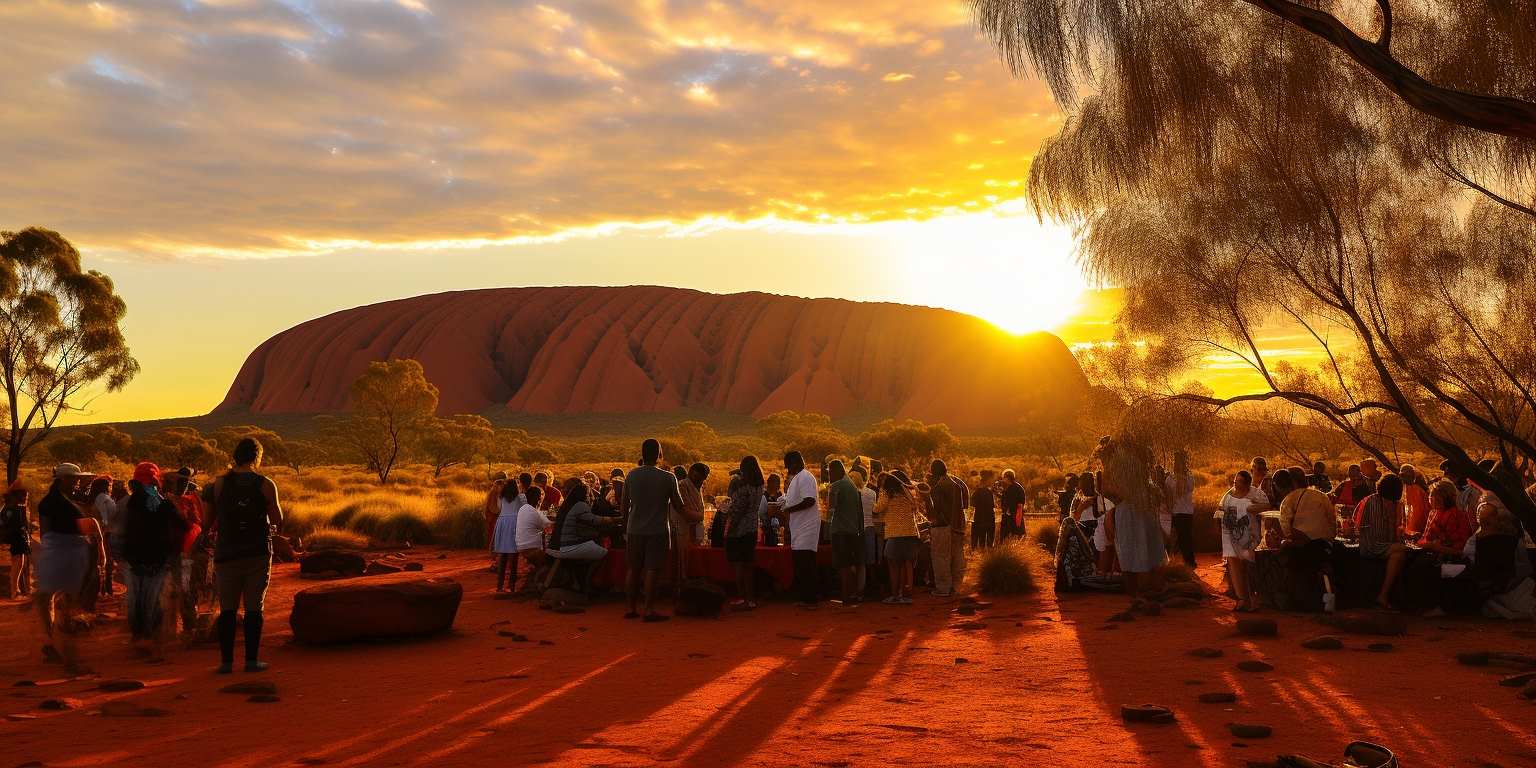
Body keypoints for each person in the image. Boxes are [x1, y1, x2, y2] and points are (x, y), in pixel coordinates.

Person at [207, 438, 283, 674]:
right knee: (254, 608)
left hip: (227, 553)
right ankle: (251, 661)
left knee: (227, 608)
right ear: (256, 457)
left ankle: (226, 663)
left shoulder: (218, 485)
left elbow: (206, 521)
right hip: (256, 553)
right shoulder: (265, 484)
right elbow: (278, 519)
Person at [34, 464, 106, 675]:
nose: (77, 484)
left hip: (54, 553)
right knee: (68, 604)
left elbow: (47, 532)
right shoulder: (66, 505)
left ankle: (51, 642)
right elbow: (85, 531)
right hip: (69, 556)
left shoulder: (48, 502)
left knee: (47, 598)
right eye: (74, 480)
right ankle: (69, 658)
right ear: (63, 479)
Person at [122, 462, 188, 662]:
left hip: (134, 559)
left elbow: (122, 531)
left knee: (137, 602)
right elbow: (183, 525)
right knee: (154, 601)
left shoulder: (129, 502)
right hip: (157, 559)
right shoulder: (163, 503)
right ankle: (152, 643)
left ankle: (139, 639)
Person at [624, 439, 686, 622]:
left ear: (642, 454)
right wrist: (694, 516)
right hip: (657, 530)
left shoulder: (631, 475)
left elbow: (623, 505)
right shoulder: (668, 477)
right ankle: (649, 610)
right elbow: (679, 505)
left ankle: (630, 608)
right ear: (659, 455)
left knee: (633, 569)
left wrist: (625, 528)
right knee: (652, 569)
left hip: (634, 529)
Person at [1101, 440, 1165, 597]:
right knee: (1132, 547)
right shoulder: (1119, 468)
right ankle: (1139, 591)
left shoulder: (1131, 467)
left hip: (1140, 509)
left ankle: (1144, 590)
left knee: (1141, 546)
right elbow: (1107, 490)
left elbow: (1107, 490)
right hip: (1134, 509)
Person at [546, 479, 621, 591]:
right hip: (571, 546)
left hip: (565, 544)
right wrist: (618, 519)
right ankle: (588, 581)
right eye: (589, 494)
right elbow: (595, 520)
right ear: (585, 495)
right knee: (604, 553)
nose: (591, 497)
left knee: (594, 546)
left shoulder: (570, 505)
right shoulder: (581, 505)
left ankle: (584, 579)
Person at [1354, 473, 1407, 611]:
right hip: (1371, 545)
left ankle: (1383, 596)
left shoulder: (1394, 504)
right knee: (1401, 550)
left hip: (1385, 545)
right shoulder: (1372, 502)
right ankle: (1387, 596)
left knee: (1399, 555)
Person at [1218, 469, 1268, 612]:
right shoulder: (1229, 494)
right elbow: (1221, 508)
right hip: (1232, 534)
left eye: (1238, 481)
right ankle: (1241, 599)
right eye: (1235, 481)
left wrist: (1250, 507)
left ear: (1247, 483)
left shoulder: (1256, 493)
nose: (1235, 483)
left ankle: (1253, 600)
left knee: (1248, 565)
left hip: (1250, 534)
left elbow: (1266, 506)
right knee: (1234, 565)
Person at [723, 456, 766, 610]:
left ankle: (742, 598)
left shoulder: (741, 487)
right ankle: (751, 598)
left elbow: (736, 510)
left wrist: (729, 528)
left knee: (738, 566)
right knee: (749, 565)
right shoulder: (759, 485)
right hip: (752, 528)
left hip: (739, 529)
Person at [782, 451, 822, 608]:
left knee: (806, 564)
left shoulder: (805, 477)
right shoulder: (798, 478)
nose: (787, 470)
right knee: (800, 564)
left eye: (788, 466)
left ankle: (811, 600)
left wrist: (789, 509)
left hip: (807, 528)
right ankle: (805, 597)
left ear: (795, 463)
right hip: (799, 528)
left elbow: (809, 500)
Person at [875, 473, 919, 604]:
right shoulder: (909, 491)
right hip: (911, 532)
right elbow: (915, 507)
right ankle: (907, 595)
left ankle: (895, 595)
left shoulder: (887, 492)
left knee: (894, 565)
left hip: (895, 533)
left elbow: (878, 508)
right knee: (908, 564)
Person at [925, 459, 967, 598]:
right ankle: (957, 587)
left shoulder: (939, 487)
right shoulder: (956, 485)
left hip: (943, 526)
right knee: (957, 557)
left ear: (933, 471)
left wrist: (926, 497)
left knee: (941, 558)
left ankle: (943, 588)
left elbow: (934, 512)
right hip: (958, 526)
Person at [826, 460, 864, 605]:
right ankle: (853, 594)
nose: (829, 475)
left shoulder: (836, 486)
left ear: (837, 471)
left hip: (840, 531)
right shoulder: (852, 486)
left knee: (843, 566)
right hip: (853, 531)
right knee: (849, 564)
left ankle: (846, 597)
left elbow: (830, 511)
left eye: (830, 472)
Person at [674, 463, 709, 585]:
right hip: (682, 528)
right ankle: (681, 586)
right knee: (681, 561)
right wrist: (700, 516)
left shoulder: (696, 486)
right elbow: (685, 511)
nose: (701, 482)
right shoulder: (682, 486)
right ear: (693, 473)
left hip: (693, 530)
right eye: (699, 478)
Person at [1165, 451, 1198, 568]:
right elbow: (1168, 495)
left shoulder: (1189, 477)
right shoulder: (1170, 478)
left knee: (1185, 537)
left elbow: (1182, 490)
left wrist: (1180, 476)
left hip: (1186, 511)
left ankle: (1189, 562)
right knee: (1177, 537)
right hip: (1175, 511)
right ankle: (1174, 561)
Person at [491, 479, 524, 592]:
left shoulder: (501, 497)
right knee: (514, 556)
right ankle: (512, 586)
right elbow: (523, 510)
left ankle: (499, 586)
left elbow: (500, 509)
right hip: (514, 524)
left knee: (503, 556)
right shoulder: (520, 497)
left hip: (503, 523)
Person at [514, 486, 549, 590]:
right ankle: (541, 585)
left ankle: (532, 581)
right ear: (538, 498)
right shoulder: (533, 511)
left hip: (521, 546)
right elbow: (547, 525)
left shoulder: (523, 509)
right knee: (550, 560)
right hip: (531, 548)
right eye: (540, 497)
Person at [87, 477, 115, 597]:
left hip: (94, 533)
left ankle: (102, 589)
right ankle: (105, 590)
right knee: (106, 562)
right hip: (103, 533)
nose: (111, 487)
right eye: (109, 485)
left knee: (98, 562)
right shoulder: (102, 498)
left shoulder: (93, 499)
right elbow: (104, 519)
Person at [3, 482, 31, 600]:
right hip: (17, 539)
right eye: (23, 495)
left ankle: (16, 591)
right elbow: (16, 526)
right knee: (17, 565)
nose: (25, 498)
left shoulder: (11, 508)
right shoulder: (13, 509)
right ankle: (15, 593)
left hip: (18, 539)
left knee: (19, 565)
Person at [854, 467, 879, 597]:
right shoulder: (871, 493)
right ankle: (872, 587)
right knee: (870, 559)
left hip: (858, 528)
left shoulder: (853, 493)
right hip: (870, 526)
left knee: (860, 560)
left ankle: (860, 589)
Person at [484, 471, 508, 570]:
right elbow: (490, 507)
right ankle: (497, 558)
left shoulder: (507, 492)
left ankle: (500, 559)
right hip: (496, 517)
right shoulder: (493, 492)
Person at [1400, 464, 1430, 538]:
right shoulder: (1408, 486)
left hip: (1419, 518)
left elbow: (1419, 509)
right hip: (1415, 516)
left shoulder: (1416, 489)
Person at [971, 470, 997, 550]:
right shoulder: (989, 492)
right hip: (989, 520)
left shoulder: (975, 493)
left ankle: (979, 556)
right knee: (989, 542)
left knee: (980, 542)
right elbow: (992, 506)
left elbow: (972, 505)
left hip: (979, 519)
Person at [999, 469, 1025, 541]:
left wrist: (1018, 519)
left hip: (1014, 517)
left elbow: (1019, 505)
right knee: (1005, 538)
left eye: (1004, 477)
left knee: (1013, 538)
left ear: (1008, 478)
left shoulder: (1016, 488)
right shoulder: (1009, 487)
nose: (1003, 479)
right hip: (1009, 517)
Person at [759, 473, 784, 547]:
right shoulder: (763, 496)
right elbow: (761, 514)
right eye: (775, 482)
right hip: (767, 528)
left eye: (778, 482)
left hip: (779, 528)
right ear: (769, 483)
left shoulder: (779, 495)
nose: (778, 485)